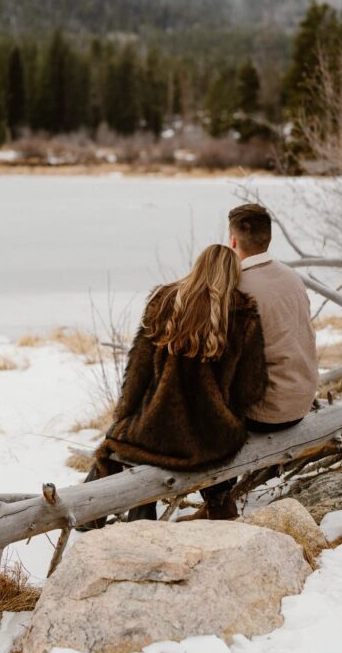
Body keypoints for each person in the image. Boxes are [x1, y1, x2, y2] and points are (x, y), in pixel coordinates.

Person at [87, 243, 268, 522]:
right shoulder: (243, 315)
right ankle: (219, 504)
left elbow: (138, 372)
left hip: (156, 430)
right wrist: (228, 413)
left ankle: (93, 514)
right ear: (233, 275)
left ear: (197, 267)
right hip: (214, 437)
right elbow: (250, 389)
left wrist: (126, 415)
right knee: (214, 441)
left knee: (113, 440)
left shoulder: (164, 302)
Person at [228, 203, 318, 424]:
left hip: (266, 413)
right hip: (302, 400)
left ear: (232, 241)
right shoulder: (292, 277)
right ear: (267, 239)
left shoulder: (237, 287)